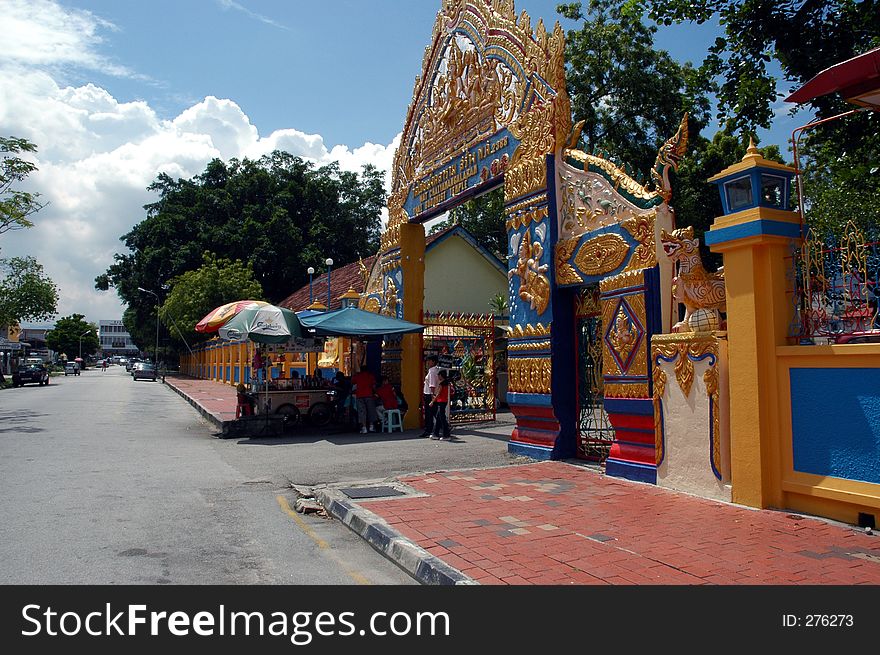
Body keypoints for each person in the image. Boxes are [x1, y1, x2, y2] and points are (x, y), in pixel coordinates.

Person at [351, 366, 378, 434]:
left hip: (359, 396)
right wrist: (375, 392)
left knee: (362, 412)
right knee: (371, 410)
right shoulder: (370, 376)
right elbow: (374, 386)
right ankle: (371, 426)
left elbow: (352, 382)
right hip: (369, 395)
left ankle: (364, 427)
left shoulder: (357, 376)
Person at [421, 354, 440, 437]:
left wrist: (432, 394)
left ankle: (428, 430)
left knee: (429, 413)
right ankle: (444, 425)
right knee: (434, 412)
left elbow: (432, 384)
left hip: (429, 394)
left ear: (433, 362)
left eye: (429, 361)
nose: (428, 362)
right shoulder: (436, 370)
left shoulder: (432, 371)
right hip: (433, 394)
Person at [429, 369, 452, 440]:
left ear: (441, 376)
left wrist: (432, 401)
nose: (438, 377)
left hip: (441, 402)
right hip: (444, 401)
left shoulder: (441, 384)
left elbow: (438, 394)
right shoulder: (447, 383)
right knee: (438, 418)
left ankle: (446, 435)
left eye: (438, 375)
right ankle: (435, 433)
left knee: (442, 419)